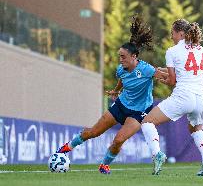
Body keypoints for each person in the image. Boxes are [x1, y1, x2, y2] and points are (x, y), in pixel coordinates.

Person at [56, 15, 167, 174]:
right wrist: (116, 90)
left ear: (134, 57)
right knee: (93, 132)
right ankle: (63, 150)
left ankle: (104, 165)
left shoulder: (146, 70)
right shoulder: (121, 69)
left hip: (139, 112)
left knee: (118, 140)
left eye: (123, 57)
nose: (120, 60)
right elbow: (122, 79)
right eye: (119, 56)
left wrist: (174, 77)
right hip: (121, 105)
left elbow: (165, 77)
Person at [141, 19, 203, 176]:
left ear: (180, 33)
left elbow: (173, 81)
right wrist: (164, 70)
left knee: (147, 122)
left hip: (183, 96)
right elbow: (186, 71)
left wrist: (160, 77)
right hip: (201, 97)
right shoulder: (201, 50)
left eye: (172, 33)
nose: (171, 36)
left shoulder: (172, 51)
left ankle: (157, 154)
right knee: (196, 128)